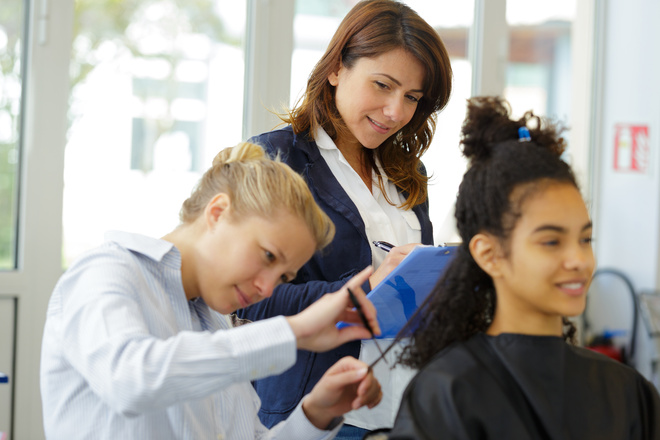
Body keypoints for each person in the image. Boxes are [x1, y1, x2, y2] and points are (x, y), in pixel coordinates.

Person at [40, 142, 383, 440]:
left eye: (283, 277)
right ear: (217, 213)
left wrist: (316, 413)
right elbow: (130, 380)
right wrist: (295, 331)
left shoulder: (216, 324)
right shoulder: (107, 271)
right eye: (267, 256)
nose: (266, 288)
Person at [366, 96, 660, 439]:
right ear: (489, 254)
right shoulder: (448, 393)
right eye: (551, 242)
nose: (579, 260)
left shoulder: (630, 393)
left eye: (585, 240)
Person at [236, 0, 452, 438]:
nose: (396, 111)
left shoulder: (408, 174)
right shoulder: (277, 159)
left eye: (412, 97)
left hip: (403, 406)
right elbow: (249, 297)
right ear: (336, 68)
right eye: (383, 85)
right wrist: (363, 288)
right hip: (315, 411)